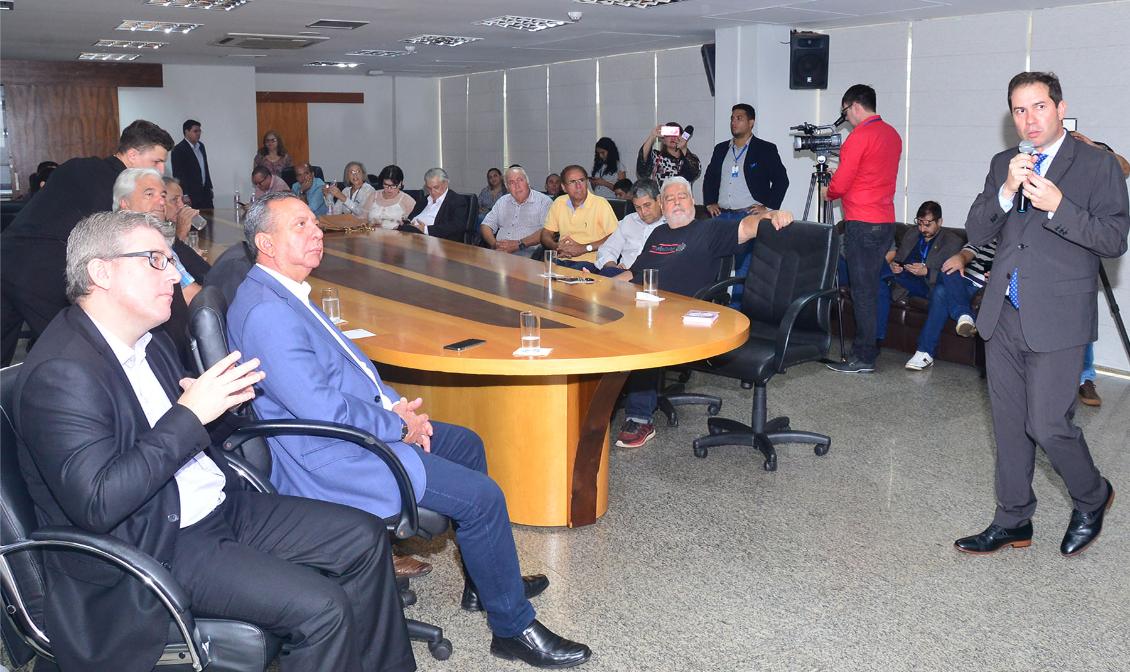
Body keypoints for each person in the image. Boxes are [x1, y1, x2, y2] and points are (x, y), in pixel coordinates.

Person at [12, 209, 414, 672]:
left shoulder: (149, 339)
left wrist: (223, 408)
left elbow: (187, 435)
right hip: (157, 540)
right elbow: (98, 503)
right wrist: (190, 415)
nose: (174, 274)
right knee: (321, 608)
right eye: (155, 260)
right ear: (100, 272)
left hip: (211, 505)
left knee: (362, 536)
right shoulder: (62, 372)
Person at [226, 193, 592, 669]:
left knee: (466, 443)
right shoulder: (268, 312)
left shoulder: (283, 290)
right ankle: (512, 627)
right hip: (333, 455)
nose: (317, 232)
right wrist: (397, 423)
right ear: (265, 243)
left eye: (315, 223)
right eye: (301, 225)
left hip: (355, 429)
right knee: (483, 498)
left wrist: (393, 403)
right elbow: (320, 406)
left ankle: (486, 582)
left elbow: (346, 371)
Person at [954, 71, 1128, 557]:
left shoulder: (1098, 166)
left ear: (1060, 106)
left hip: (1058, 317)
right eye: (1019, 110)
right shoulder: (1002, 163)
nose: (1029, 119)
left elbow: (1114, 240)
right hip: (1003, 313)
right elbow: (975, 229)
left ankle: (1093, 495)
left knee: (1047, 424)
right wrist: (1006, 192)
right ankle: (1013, 520)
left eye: (1039, 107)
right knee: (1009, 425)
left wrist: (1059, 206)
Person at [609, 177, 794, 448]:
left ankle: (639, 418)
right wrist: (605, 286)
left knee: (641, 335)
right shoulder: (658, 234)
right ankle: (602, 403)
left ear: (691, 199)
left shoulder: (710, 230)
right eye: (669, 199)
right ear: (661, 204)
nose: (676, 203)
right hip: (646, 305)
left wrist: (772, 215)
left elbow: (748, 226)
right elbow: (635, 273)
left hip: (682, 313)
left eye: (681, 196)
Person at [1, 119, 174, 366]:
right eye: (156, 161)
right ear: (133, 155)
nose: (160, 170)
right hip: (43, 270)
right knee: (79, 347)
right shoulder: (118, 186)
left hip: (6, 255)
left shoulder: (77, 165)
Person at [824, 84, 903, 374]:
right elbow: (871, 174)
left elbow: (842, 184)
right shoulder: (892, 134)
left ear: (854, 106)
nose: (846, 118)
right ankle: (870, 346)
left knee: (863, 292)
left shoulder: (858, 137)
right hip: (885, 221)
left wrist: (828, 191)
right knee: (871, 287)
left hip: (862, 222)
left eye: (845, 112)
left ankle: (863, 356)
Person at [703, 103, 789, 307]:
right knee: (715, 263)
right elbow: (710, 177)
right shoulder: (721, 148)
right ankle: (714, 306)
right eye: (732, 118)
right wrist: (709, 202)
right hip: (722, 217)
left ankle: (737, 313)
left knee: (743, 268)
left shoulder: (765, 149)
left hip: (748, 217)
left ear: (751, 122)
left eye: (739, 118)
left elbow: (781, 180)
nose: (734, 122)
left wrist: (767, 206)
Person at [1070, 132, 1129, 408]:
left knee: (1082, 318)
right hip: (1046, 250)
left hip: (1082, 248)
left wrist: (1094, 147)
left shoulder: (1095, 157)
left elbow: (1124, 167)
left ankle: (1085, 379)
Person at [876, 201, 963, 369]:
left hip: (928, 284)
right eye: (920, 223)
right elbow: (900, 259)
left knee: (882, 277)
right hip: (905, 278)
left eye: (928, 224)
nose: (923, 229)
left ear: (940, 222)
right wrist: (894, 265)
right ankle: (875, 339)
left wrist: (927, 272)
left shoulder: (952, 242)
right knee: (880, 277)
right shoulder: (912, 234)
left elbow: (950, 276)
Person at [904, 238, 998, 371]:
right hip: (959, 278)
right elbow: (968, 251)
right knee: (950, 266)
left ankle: (924, 352)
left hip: (979, 285)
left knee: (941, 292)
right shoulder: (983, 236)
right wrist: (960, 259)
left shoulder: (1012, 242)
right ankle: (964, 314)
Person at [540, 165, 618, 267]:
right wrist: (556, 246)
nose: (578, 186)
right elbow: (545, 234)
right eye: (572, 182)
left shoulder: (600, 204)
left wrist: (583, 248)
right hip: (561, 260)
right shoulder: (559, 202)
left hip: (589, 263)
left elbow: (615, 236)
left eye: (581, 180)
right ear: (563, 187)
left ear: (587, 183)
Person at [591, 178, 665, 275]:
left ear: (659, 200)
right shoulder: (629, 221)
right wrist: (613, 266)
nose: (643, 212)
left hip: (651, 278)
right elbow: (607, 249)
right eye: (638, 207)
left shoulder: (670, 225)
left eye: (647, 205)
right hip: (621, 277)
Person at [480, 166, 553, 258]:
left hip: (528, 254)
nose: (517, 185)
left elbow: (547, 231)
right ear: (507, 187)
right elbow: (486, 225)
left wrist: (518, 244)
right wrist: (495, 244)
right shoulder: (502, 201)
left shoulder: (544, 202)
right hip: (499, 252)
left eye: (520, 180)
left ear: (527, 182)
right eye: (511, 182)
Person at [406, 167, 471, 242]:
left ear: (445, 184)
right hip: (413, 238)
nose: (432, 192)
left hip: (437, 242)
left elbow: (456, 226)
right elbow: (411, 217)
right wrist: (406, 223)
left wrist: (425, 229)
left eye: (436, 187)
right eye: (429, 188)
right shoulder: (423, 200)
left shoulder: (457, 200)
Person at [636, 122, 701, 185]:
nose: (673, 138)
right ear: (663, 140)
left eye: (675, 133)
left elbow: (694, 173)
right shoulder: (656, 156)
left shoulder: (690, 158)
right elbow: (642, 166)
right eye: (669, 134)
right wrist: (652, 136)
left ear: (682, 136)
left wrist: (684, 148)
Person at [171, 119, 214, 209]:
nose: (198, 133)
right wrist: (185, 194)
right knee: (193, 221)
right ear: (187, 132)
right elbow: (178, 174)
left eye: (199, 131)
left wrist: (209, 187)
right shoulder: (178, 150)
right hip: (191, 195)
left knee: (210, 220)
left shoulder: (201, 146)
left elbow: (205, 168)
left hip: (205, 193)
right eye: (195, 131)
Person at [368, 164, 418, 230]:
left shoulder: (408, 201)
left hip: (396, 238)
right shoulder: (373, 195)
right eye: (386, 185)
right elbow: (361, 219)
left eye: (393, 185)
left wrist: (402, 227)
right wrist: (369, 224)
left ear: (400, 183)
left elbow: (414, 227)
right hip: (372, 236)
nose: (389, 189)